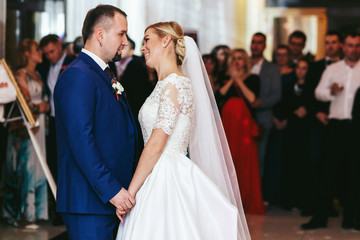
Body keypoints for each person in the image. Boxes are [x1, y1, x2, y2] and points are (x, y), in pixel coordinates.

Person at [116, 21, 250, 240]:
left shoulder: (175, 84)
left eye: (147, 39)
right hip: (155, 173)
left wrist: (130, 194)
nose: (142, 48)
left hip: (167, 175)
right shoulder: (165, 84)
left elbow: (156, 145)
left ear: (166, 40)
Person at [54, 5, 137, 239]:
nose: (125, 42)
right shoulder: (78, 75)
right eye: (121, 34)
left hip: (106, 199)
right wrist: (113, 191)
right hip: (88, 202)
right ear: (100, 35)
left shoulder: (104, 72)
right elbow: (82, 141)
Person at [301, 32, 360, 230]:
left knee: (355, 174)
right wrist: (330, 92)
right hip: (335, 125)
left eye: (357, 45)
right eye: (350, 45)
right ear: (344, 47)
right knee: (327, 173)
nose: (353, 49)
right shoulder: (333, 69)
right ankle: (320, 218)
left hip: (356, 127)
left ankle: (352, 218)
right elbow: (318, 92)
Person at [2, 39, 49, 229]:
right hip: (27, 127)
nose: (41, 52)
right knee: (27, 169)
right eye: (37, 49)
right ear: (28, 54)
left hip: (40, 126)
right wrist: (41, 106)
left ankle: (37, 212)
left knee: (38, 168)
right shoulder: (20, 75)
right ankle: (24, 214)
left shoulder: (37, 74)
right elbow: (23, 103)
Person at [216, 48, 265, 215]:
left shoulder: (253, 79)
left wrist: (240, 81)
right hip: (228, 125)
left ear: (245, 61)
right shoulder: (224, 80)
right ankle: (229, 200)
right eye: (234, 59)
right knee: (229, 160)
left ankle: (245, 199)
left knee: (246, 161)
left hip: (244, 127)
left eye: (240, 59)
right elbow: (218, 97)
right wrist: (231, 80)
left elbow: (252, 99)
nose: (237, 62)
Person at [265, 44, 295, 206]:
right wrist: (275, 118)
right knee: (273, 159)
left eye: (285, 54)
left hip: (289, 121)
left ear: (289, 57)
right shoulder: (271, 72)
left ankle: (286, 198)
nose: (281, 58)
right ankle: (273, 196)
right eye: (279, 54)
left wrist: (287, 119)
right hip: (272, 118)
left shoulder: (294, 74)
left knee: (288, 159)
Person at [250, 32, 281, 180]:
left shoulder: (272, 69)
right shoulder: (244, 63)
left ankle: (257, 197)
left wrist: (260, 103)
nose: (255, 46)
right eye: (253, 42)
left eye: (259, 42)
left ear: (265, 46)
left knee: (259, 158)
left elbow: (277, 95)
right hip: (243, 117)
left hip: (262, 118)